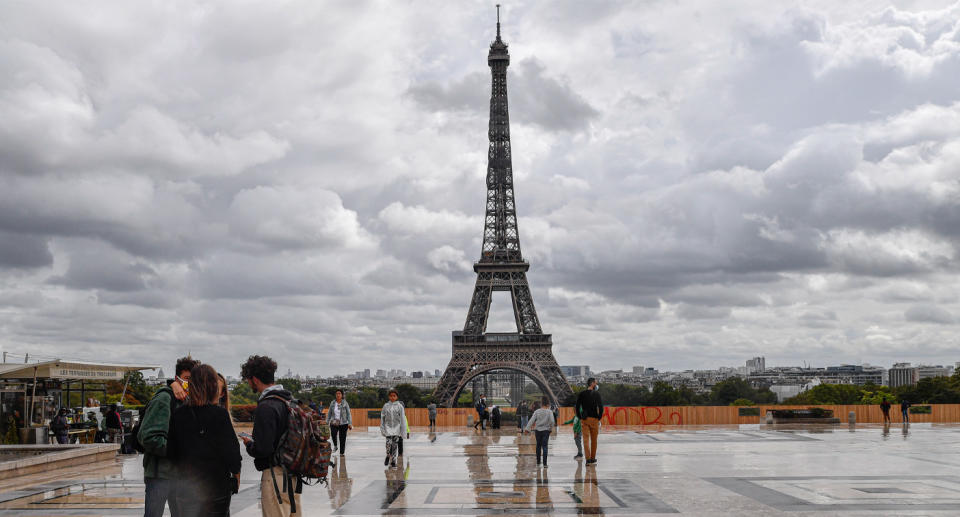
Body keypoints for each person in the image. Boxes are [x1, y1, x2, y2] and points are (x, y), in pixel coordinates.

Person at [169, 364, 241, 517]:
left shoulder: (179, 414)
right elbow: (232, 453)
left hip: (186, 487)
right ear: (213, 386)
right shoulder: (219, 415)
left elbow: (171, 453)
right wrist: (236, 476)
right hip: (215, 488)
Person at [239, 355, 300, 517]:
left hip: (275, 476)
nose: (248, 383)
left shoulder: (266, 406)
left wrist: (249, 444)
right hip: (293, 475)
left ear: (255, 379)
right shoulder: (289, 401)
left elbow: (264, 448)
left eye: (248, 379)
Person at [139, 355, 196, 517]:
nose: (189, 383)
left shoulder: (186, 400)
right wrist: (178, 451)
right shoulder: (164, 398)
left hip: (179, 474)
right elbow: (149, 437)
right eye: (187, 378)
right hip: (160, 474)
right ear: (177, 378)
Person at [575, 378, 603, 466]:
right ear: (592, 384)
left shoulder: (582, 394)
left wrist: (580, 417)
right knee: (594, 440)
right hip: (594, 418)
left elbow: (577, 406)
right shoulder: (597, 394)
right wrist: (599, 417)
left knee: (585, 440)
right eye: (595, 383)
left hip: (585, 419)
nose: (596, 384)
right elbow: (601, 407)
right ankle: (593, 458)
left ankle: (587, 459)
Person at [524, 398, 555, 467]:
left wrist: (527, 429)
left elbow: (531, 420)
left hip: (538, 431)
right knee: (545, 446)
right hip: (546, 431)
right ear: (548, 404)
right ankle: (545, 464)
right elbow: (552, 421)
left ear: (541, 403)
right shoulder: (549, 412)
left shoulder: (537, 411)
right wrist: (550, 428)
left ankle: (538, 462)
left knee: (538, 446)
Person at [380, 389, 407, 468]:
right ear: (389, 397)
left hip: (396, 429)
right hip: (388, 428)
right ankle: (388, 455)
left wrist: (403, 431)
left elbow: (402, 418)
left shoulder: (400, 406)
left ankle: (393, 461)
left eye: (394, 396)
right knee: (388, 444)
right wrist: (382, 428)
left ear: (397, 397)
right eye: (391, 396)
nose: (392, 397)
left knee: (395, 446)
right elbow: (382, 417)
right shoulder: (385, 406)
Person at [328, 389, 352, 457]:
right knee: (333, 433)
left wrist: (350, 423)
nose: (338, 395)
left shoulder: (345, 403)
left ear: (342, 395)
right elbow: (329, 413)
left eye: (339, 393)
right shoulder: (332, 403)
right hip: (334, 422)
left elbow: (349, 413)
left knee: (342, 438)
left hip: (343, 423)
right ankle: (335, 446)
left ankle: (342, 453)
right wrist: (327, 422)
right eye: (337, 394)